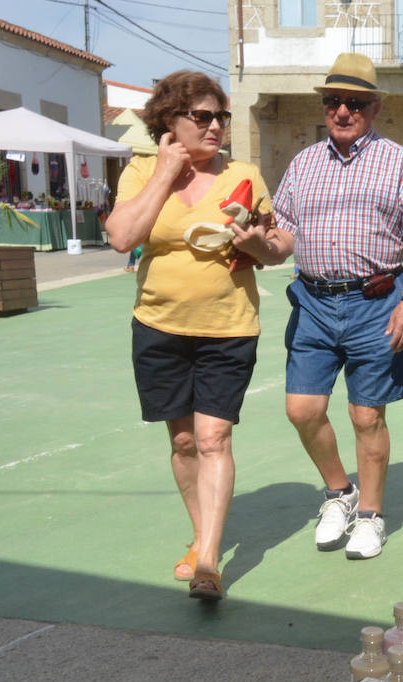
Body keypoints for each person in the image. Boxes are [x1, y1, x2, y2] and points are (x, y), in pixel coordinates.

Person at [104, 71, 288, 602]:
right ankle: (199, 536)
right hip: (159, 326)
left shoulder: (244, 174)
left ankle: (208, 558)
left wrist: (258, 245)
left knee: (213, 437)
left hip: (228, 329)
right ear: (169, 122)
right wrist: (166, 173)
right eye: (202, 117)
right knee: (183, 440)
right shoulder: (141, 172)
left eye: (221, 117)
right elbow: (122, 238)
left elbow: (279, 247)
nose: (215, 127)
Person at [268, 53, 403, 560]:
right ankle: (338, 492)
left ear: (375, 107)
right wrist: (258, 242)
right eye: (333, 101)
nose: (342, 111)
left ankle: (369, 515)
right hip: (314, 301)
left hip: (376, 302)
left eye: (354, 102)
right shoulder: (303, 164)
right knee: (302, 409)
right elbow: (283, 234)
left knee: (367, 417)